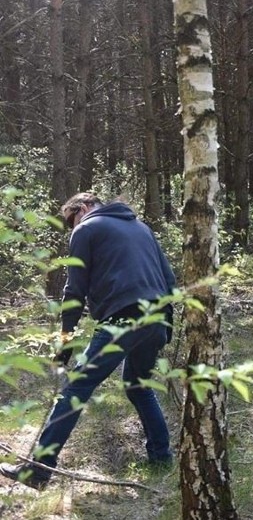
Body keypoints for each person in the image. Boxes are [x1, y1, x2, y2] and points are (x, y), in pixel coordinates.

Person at [0, 193, 176, 490]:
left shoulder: (87, 228)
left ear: (82, 209)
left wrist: (65, 342)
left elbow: (74, 290)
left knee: (76, 388)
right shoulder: (142, 227)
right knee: (139, 386)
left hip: (123, 318)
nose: (72, 228)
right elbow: (169, 280)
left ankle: (39, 470)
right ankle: (161, 460)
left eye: (71, 220)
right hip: (158, 317)